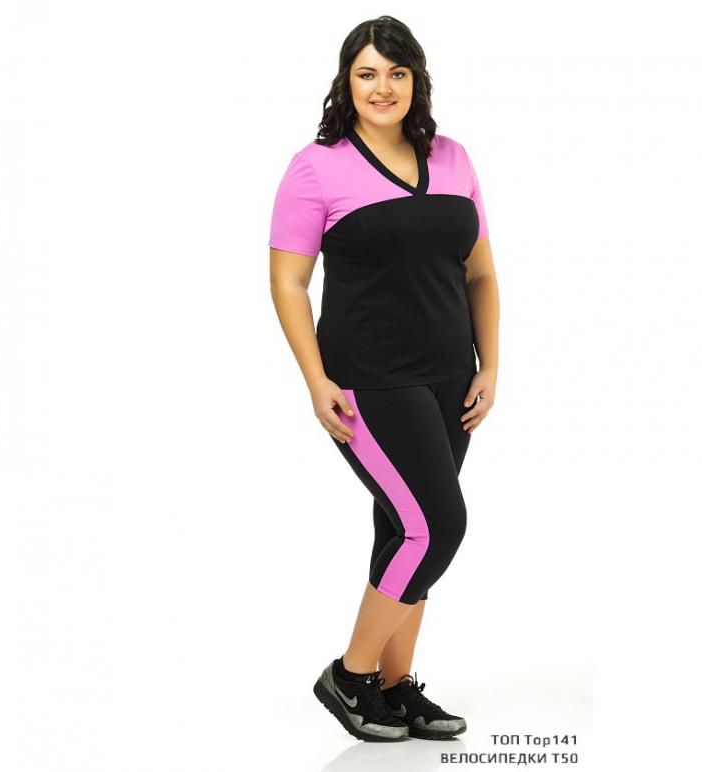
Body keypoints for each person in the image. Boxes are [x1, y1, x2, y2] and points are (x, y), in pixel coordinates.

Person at [268, 16, 500, 742]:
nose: (382, 87)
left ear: (415, 81)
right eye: (367, 73)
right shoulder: (316, 167)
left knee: (405, 529)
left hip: (449, 379)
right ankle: (352, 674)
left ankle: (396, 688)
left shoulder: (454, 159)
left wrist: (491, 365)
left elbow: (481, 274)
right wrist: (316, 381)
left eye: (397, 73)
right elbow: (288, 281)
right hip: (368, 380)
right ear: (347, 82)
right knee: (437, 525)